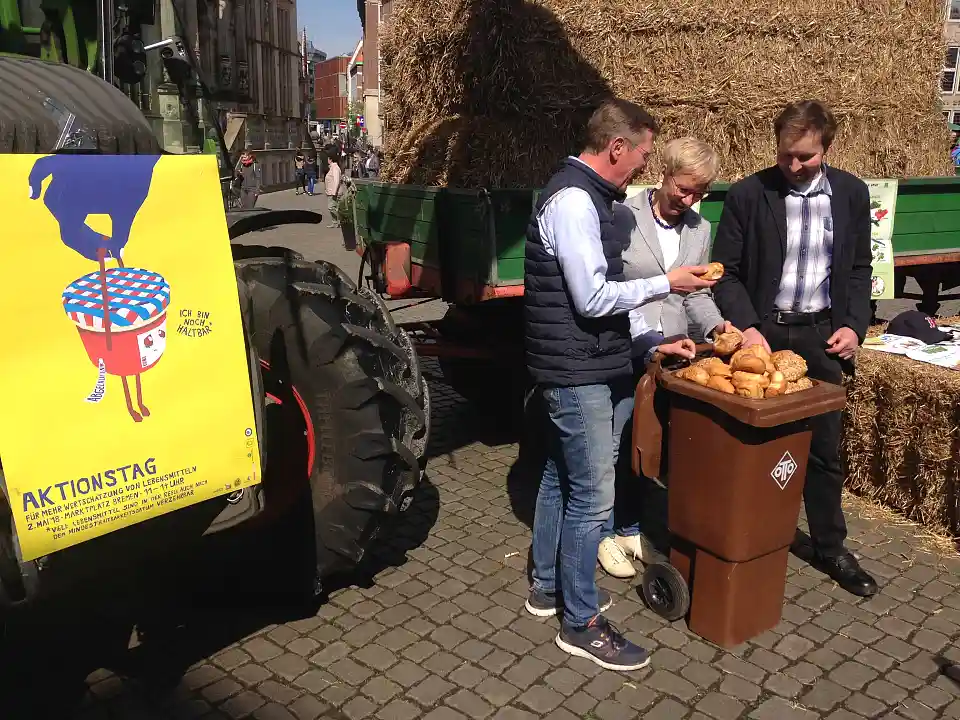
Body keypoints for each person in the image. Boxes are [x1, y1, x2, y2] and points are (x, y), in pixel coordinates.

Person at [524, 98, 715, 671]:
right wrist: (666, 283)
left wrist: (650, 342)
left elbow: (603, 300)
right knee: (592, 495)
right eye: (643, 154)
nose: (643, 165)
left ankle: (547, 588)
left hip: (581, 362)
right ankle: (580, 623)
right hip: (576, 370)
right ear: (616, 147)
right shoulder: (575, 201)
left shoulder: (586, 197)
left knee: (559, 477)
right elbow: (592, 298)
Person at [711, 99, 878, 598]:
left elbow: (858, 269)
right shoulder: (749, 193)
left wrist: (854, 326)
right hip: (762, 336)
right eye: (786, 154)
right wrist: (748, 327)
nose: (794, 165)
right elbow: (727, 272)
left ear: (827, 148)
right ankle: (746, 537)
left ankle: (830, 547)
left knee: (823, 450)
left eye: (805, 156)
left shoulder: (851, 193)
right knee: (748, 444)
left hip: (820, 337)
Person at [598, 137, 739, 579]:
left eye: (700, 192)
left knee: (649, 444)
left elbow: (696, 295)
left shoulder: (700, 229)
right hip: (624, 346)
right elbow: (611, 288)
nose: (689, 200)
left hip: (673, 354)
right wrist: (645, 337)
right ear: (664, 173)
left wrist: (717, 327)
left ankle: (629, 526)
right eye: (683, 188)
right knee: (615, 442)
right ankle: (602, 532)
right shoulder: (624, 214)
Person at [325, 157, 343, 228]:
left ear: (331, 159)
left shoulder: (335, 168)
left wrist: (334, 192)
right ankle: (335, 222)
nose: (327, 160)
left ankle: (342, 220)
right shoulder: (332, 167)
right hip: (330, 191)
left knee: (331, 207)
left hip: (334, 192)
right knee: (333, 207)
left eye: (328, 159)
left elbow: (336, 181)